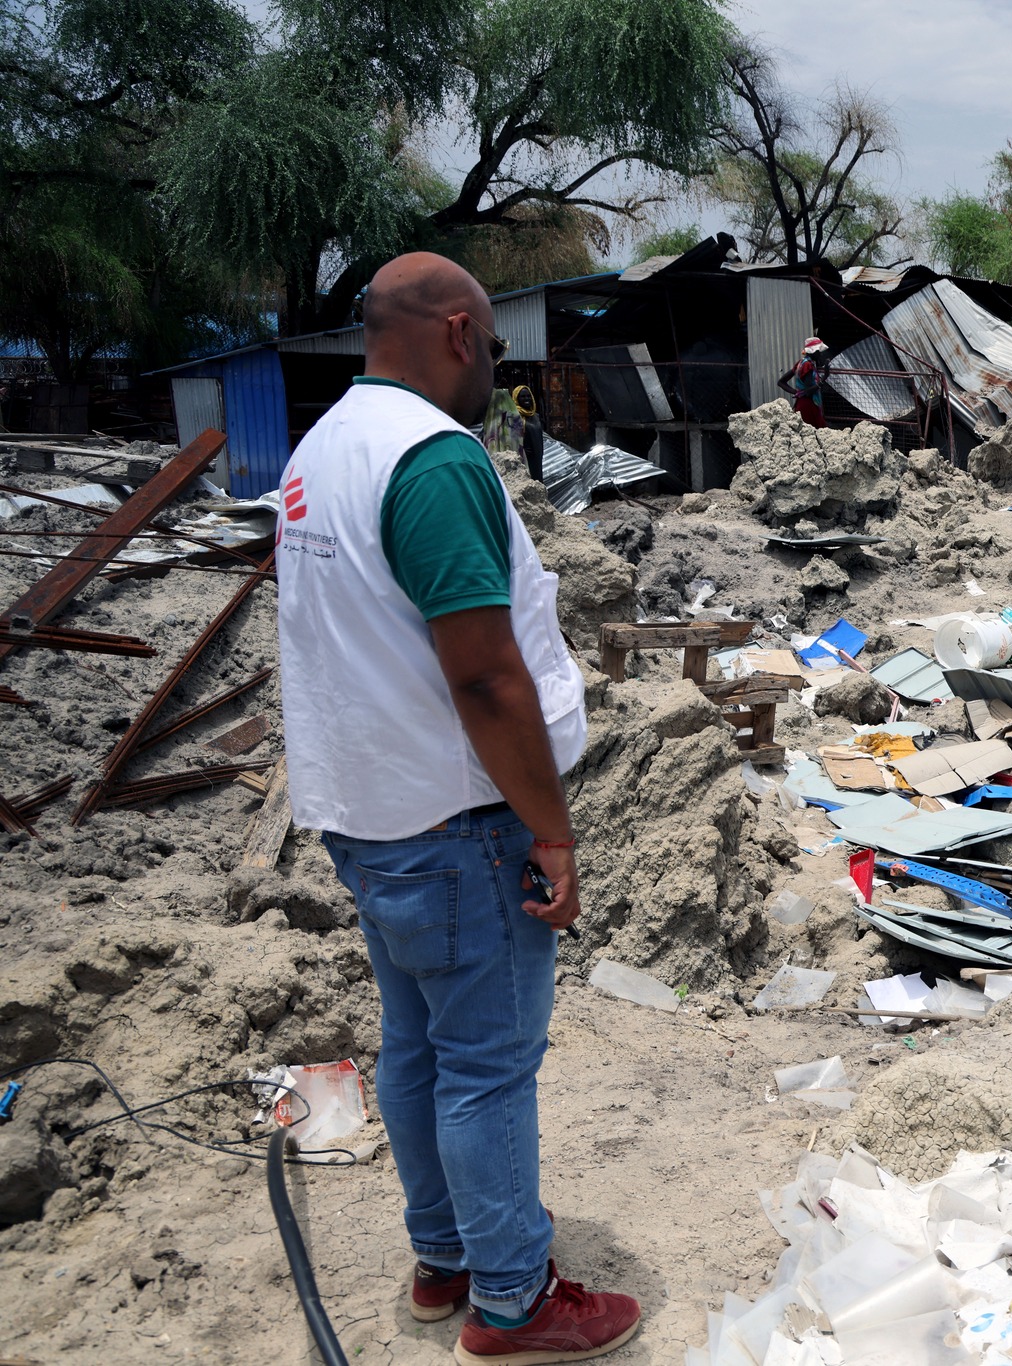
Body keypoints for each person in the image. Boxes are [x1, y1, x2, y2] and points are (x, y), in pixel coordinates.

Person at [274, 253, 640, 1365]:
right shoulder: (430, 458)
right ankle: (513, 1301)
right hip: (455, 822)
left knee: (418, 1049)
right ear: (455, 332)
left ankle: (443, 1257)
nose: (494, 370)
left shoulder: (322, 448)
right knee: (486, 1066)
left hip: (369, 814)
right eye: (493, 345)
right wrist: (553, 829)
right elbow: (484, 675)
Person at [778, 336, 830, 428]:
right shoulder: (807, 366)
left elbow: (781, 382)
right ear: (814, 351)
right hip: (808, 406)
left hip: (802, 403)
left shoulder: (801, 362)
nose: (820, 354)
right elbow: (808, 391)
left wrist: (797, 392)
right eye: (819, 352)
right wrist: (824, 377)